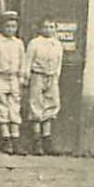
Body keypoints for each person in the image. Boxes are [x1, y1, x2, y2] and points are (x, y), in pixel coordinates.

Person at [0, 11, 26, 155]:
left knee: (14, 107)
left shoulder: (19, 43)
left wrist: (21, 78)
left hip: (13, 78)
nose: (10, 29)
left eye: (13, 26)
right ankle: (6, 139)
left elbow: (22, 62)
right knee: (0, 107)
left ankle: (16, 139)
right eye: (7, 26)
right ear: (2, 27)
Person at [23, 17, 65, 155]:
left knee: (51, 105)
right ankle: (37, 140)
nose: (49, 30)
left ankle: (47, 139)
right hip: (38, 75)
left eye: (52, 27)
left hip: (51, 77)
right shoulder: (34, 43)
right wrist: (26, 77)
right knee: (36, 105)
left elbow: (59, 62)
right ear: (40, 29)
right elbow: (28, 61)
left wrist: (56, 76)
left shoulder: (57, 44)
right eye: (46, 27)